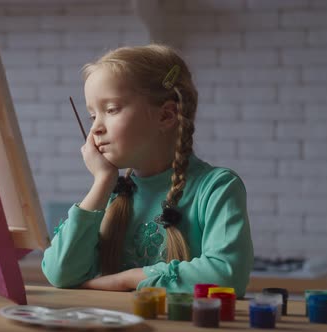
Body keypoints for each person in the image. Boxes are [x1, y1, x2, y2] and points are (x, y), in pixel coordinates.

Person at [41, 44, 253, 297]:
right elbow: (61, 273)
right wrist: (102, 181)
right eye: (92, 116)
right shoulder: (110, 195)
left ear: (166, 116)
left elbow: (227, 276)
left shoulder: (217, 188)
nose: (96, 128)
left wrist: (127, 280)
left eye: (110, 110)